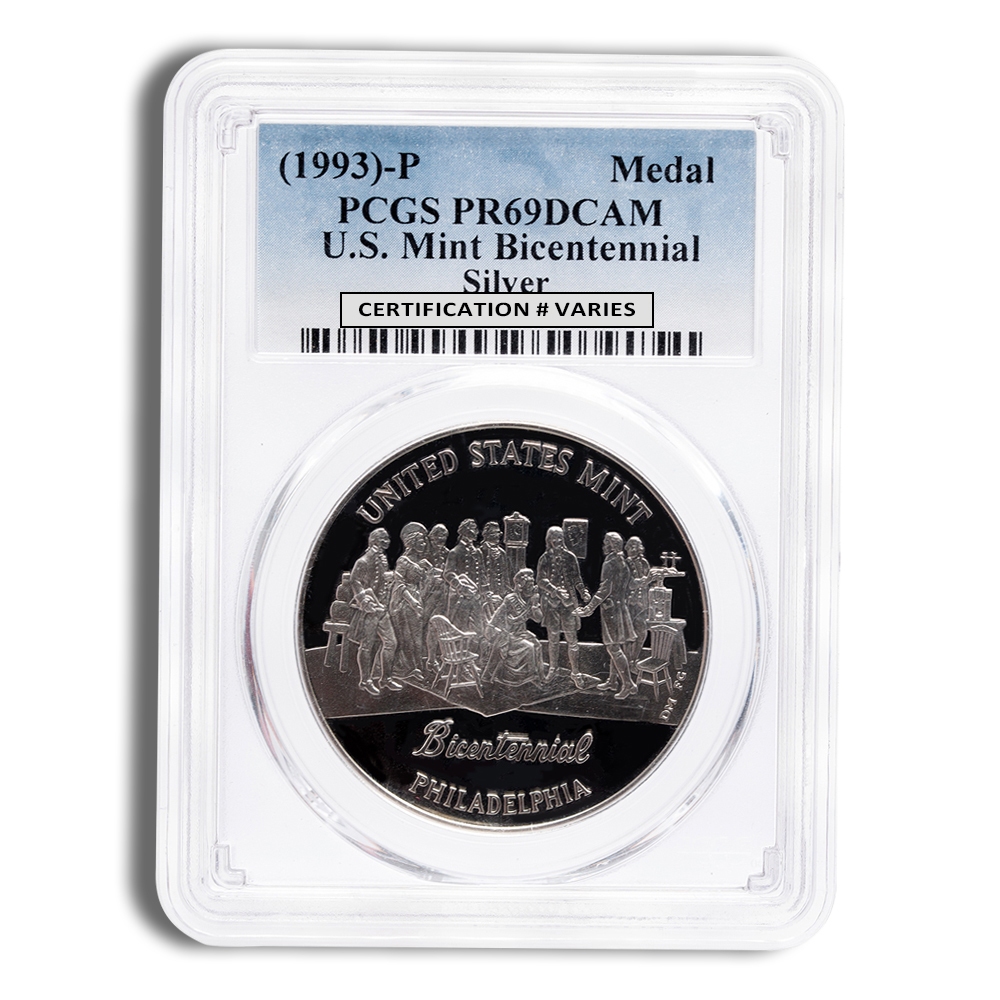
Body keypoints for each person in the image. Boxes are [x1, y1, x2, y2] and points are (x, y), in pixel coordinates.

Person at [576, 532, 637, 699]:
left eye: (606, 543)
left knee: (613, 648)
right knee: (615, 646)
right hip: (620, 607)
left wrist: (589, 607)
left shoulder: (610, 562)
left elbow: (605, 589)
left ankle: (628, 684)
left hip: (611, 611)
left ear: (612, 545)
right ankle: (612, 681)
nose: (603, 546)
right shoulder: (623, 562)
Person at [536, 526, 590, 687]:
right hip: (551, 604)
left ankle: (575, 672)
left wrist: (583, 592)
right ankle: (553, 668)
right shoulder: (544, 558)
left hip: (568, 604)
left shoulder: (570, 557)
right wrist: (555, 590)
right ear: (549, 540)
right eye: (554, 538)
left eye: (560, 538)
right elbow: (540, 580)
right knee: (553, 638)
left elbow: (577, 578)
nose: (557, 541)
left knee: (572, 639)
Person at [347, 527, 399, 695]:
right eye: (383, 539)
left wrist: (390, 576)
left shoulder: (382, 559)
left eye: (387, 539)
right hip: (369, 611)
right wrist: (363, 600)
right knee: (367, 645)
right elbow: (355, 581)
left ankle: (386, 678)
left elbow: (380, 579)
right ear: (375, 541)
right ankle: (365, 681)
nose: (387, 542)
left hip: (382, 608)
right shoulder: (363, 561)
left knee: (391, 643)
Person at [484, 568, 544, 686]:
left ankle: (537, 676)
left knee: (537, 645)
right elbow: (497, 616)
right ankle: (526, 678)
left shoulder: (530, 600)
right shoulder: (510, 599)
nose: (531, 588)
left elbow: (538, 619)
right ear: (521, 586)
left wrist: (535, 604)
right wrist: (490, 629)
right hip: (508, 635)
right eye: (528, 585)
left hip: (521, 634)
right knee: (530, 647)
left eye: (532, 585)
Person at [389, 522, 433, 680]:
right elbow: (399, 584)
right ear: (413, 543)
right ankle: (406, 669)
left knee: (417, 636)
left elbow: (424, 582)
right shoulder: (403, 561)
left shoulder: (420, 561)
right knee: (406, 636)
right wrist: (413, 602)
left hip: (416, 597)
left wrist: (428, 571)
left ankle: (417, 667)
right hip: (403, 601)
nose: (424, 544)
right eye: (421, 541)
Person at [444, 518, 486, 634]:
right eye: (474, 529)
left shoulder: (477, 552)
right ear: (465, 531)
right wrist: (460, 587)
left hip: (476, 596)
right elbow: (448, 573)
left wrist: (485, 591)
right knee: (459, 628)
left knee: (478, 629)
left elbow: (482, 573)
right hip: (460, 596)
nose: (477, 532)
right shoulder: (455, 552)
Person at [625, 536, 651, 670]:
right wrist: (644, 580)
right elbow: (629, 584)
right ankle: (627, 662)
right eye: (629, 546)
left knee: (641, 634)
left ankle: (634, 660)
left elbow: (647, 583)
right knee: (629, 635)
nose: (631, 549)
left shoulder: (644, 563)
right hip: (629, 604)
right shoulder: (625, 563)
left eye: (634, 546)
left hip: (642, 604)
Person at [480, 520, 512, 616]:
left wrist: (508, 591)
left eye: (499, 532)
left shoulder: (502, 553)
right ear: (488, 534)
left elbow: (506, 574)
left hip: (501, 592)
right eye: (496, 533)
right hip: (487, 593)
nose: (499, 535)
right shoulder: (481, 551)